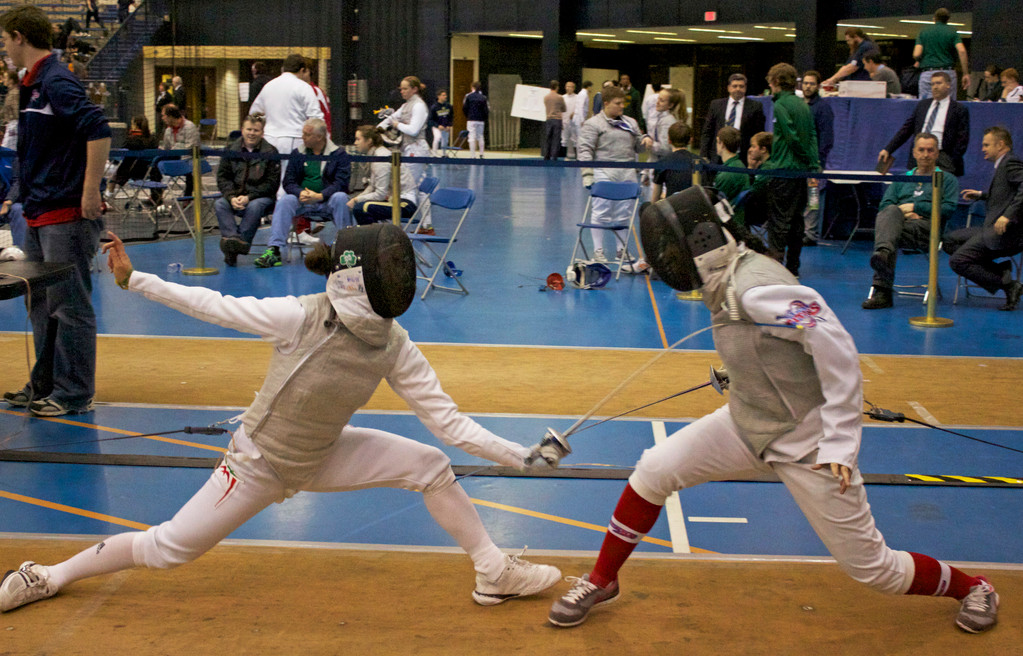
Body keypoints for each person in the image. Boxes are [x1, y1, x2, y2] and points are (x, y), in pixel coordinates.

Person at [0, 224, 565, 615]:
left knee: (430, 464)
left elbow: (449, 423)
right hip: (259, 465)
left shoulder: (394, 344)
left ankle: (493, 571)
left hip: (323, 452)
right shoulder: (301, 317)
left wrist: (523, 457)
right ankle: (47, 575)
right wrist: (135, 281)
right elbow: (215, 306)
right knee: (170, 548)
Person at [546, 186, 1000, 635]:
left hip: (807, 443)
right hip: (748, 421)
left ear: (701, 243)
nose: (667, 257)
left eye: (672, 245)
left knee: (874, 569)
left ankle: (974, 587)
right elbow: (773, 343)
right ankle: (602, 579)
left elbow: (837, 348)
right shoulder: (729, 277)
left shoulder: (755, 289)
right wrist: (742, 370)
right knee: (654, 469)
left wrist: (840, 442)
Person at [0, 4, 111, 417]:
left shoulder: (56, 80)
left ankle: (75, 392)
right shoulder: (32, 83)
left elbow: (97, 129)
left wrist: (90, 191)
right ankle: (45, 383)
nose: (4, 48)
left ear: (19, 37)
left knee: (69, 305)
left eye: (5, 40)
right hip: (38, 210)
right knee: (41, 304)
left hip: (65, 213)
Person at [862, 133, 959, 309]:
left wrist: (915, 207)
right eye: (921, 150)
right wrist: (903, 213)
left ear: (937, 153)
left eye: (930, 150)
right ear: (914, 153)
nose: (925, 154)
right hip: (899, 225)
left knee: (888, 233)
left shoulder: (947, 179)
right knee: (890, 219)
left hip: (927, 229)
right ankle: (883, 255)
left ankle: (882, 291)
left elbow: (948, 209)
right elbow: (885, 205)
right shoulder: (902, 178)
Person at [254, 118, 351, 268]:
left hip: (328, 201)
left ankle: (346, 248)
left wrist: (320, 196)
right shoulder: (298, 153)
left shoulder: (339, 154)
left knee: (341, 197)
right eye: (303, 133)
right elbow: (288, 182)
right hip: (303, 202)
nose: (302, 137)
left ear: (319, 137)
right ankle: (274, 250)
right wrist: (300, 193)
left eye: (307, 134)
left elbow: (341, 183)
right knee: (285, 200)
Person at [944, 126, 1023, 311]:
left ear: (1000, 144)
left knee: (957, 261)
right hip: (991, 229)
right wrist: (981, 195)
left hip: (1007, 233)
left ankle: (1008, 285)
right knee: (949, 241)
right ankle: (1002, 273)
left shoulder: (1010, 163)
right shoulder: (1003, 164)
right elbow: (1006, 194)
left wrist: (1007, 216)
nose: (982, 149)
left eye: (986, 145)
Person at [577, 86, 649, 263]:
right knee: (601, 212)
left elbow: (638, 147)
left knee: (623, 213)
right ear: (606, 103)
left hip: (627, 172)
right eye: (618, 103)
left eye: (623, 103)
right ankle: (598, 251)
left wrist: (645, 141)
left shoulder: (630, 123)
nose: (622, 106)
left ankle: (621, 250)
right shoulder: (593, 124)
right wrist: (587, 175)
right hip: (603, 172)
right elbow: (585, 150)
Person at [762, 63, 819, 277]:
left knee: (778, 222)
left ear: (776, 81)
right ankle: (793, 267)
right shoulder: (804, 105)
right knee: (796, 221)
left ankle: (777, 268)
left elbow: (792, 138)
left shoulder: (780, 105)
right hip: (801, 173)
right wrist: (812, 164)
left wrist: (804, 157)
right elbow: (812, 135)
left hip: (784, 171)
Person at [215, 114, 280, 266]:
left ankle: (238, 245)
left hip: (261, 198)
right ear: (242, 130)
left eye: (256, 130)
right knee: (220, 204)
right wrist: (231, 197)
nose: (252, 133)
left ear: (262, 133)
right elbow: (223, 178)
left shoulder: (271, 152)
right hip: (235, 196)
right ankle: (233, 241)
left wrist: (249, 197)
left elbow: (272, 183)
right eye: (249, 129)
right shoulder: (230, 150)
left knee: (255, 206)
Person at [879, 72, 969, 178]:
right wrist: (888, 149)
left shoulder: (959, 109)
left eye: (939, 83)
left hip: (944, 157)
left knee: (940, 187)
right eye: (932, 84)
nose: (935, 87)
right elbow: (906, 130)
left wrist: (952, 158)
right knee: (917, 186)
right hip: (920, 154)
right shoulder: (923, 105)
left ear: (948, 85)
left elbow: (962, 138)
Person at [250, 54, 324, 182]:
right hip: (294, 139)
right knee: (290, 179)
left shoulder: (269, 86)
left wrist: (267, 122)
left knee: (269, 178)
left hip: (269, 139)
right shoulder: (304, 87)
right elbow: (316, 118)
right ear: (302, 70)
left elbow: (254, 114)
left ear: (283, 68)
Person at [377, 75, 432, 230]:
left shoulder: (419, 106)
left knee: (410, 187)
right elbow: (391, 118)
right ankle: (427, 226)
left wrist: (396, 125)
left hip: (417, 149)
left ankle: (409, 224)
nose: (402, 91)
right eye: (401, 88)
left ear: (414, 89)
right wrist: (378, 129)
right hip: (407, 148)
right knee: (417, 187)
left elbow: (413, 130)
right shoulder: (406, 105)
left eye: (405, 88)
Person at [347, 124, 416, 225]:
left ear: (369, 141)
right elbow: (372, 186)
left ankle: (375, 235)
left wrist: (357, 200)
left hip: (405, 203)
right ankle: (376, 233)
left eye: (358, 139)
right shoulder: (376, 155)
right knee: (360, 205)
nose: (355, 143)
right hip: (393, 199)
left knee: (361, 208)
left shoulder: (381, 158)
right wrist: (356, 198)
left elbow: (380, 194)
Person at [699, 73, 765, 166]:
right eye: (734, 86)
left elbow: (759, 133)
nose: (738, 89)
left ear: (745, 88)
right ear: (728, 88)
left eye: (741, 86)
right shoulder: (716, 105)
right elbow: (707, 132)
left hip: (742, 157)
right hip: (717, 157)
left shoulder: (755, 107)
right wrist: (703, 155)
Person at [801, 70, 834, 246]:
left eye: (811, 83)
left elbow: (827, 138)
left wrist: (818, 161)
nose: (808, 86)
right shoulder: (799, 105)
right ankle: (800, 230)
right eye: (805, 83)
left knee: (813, 197)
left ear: (818, 86)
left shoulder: (823, 108)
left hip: (814, 162)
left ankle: (811, 232)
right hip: (799, 160)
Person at [914, 8, 970, 98]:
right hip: (947, 73)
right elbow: (962, 51)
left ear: (934, 18)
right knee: (948, 103)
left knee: (926, 104)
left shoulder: (923, 32)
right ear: (948, 19)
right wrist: (965, 73)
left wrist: (919, 60)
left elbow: (916, 54)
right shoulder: (952, 31)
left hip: (928, 73)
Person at [110, 114, 161, 202]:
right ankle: (156, 197)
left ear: (135, 125)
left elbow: (123, 150)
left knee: (114, 175)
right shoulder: (153, 139)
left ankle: (108, 195)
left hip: (132, 171)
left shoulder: (132, 140)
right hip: (150, 171)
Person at [646, 87, 686, 194]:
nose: (657, 102)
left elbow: (665, 148)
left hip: (663, 167)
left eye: (662, 100)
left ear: (670, 105)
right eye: (658, 99)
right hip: (659, 165)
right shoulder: (662, 118)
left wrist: (649, 144)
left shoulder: (667, 121)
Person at [712, 126, 750, 224]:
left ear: (722, 144)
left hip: (728, 222)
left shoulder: (726, 174)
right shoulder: (738, 165)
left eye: (717, 141)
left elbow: (715, 204)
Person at [650, 121, 693, 203]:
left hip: (672, 207)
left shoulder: (662, 163)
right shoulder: (701, 162)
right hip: (695, 207)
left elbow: (655, 199)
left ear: (669, 140)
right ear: (690, 140)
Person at [462, 81, 489, 159]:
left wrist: (468, 116)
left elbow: (465, 108)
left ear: (472, 87)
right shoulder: (483, 97)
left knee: (471, 137)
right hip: (480, 120)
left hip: (471, 119)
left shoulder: (468, 96)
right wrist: (484, 118)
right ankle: (481, 154)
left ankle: (473, 155)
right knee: (480, 136)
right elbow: (486, 110)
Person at [541, 80, 565, 161]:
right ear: (557, 87)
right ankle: (554, 157)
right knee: (556, 139)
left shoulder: (546, 97)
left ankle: (546, 156)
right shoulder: (560, 97)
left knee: (548, 138)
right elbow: (564, 109)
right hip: (557, 120)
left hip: (549, 119)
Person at [428, 89, 452, 156]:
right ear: (438, 96)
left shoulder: (448, 106)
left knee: (445, 141)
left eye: (445, 95)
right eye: (443, 95)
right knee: (437, 138)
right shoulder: (434, 107)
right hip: (437, 127)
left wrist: (449, 125)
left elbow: (451, 117)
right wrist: (437, 126)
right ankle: (434, 154)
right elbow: (430, 120)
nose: (445, 96)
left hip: (445, 127)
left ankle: (444, 154)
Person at [562, 81, 579, 160]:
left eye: (570, 86)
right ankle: (564, 157)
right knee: (564, 139)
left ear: (573, 88)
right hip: (564, 121)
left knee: (575, 139)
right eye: (567, 86)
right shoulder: (562, 97)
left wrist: (574, 113)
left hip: (574, 122)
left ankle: (576, 157)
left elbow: (579, 109)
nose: (568, 88)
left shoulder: (577, 97)